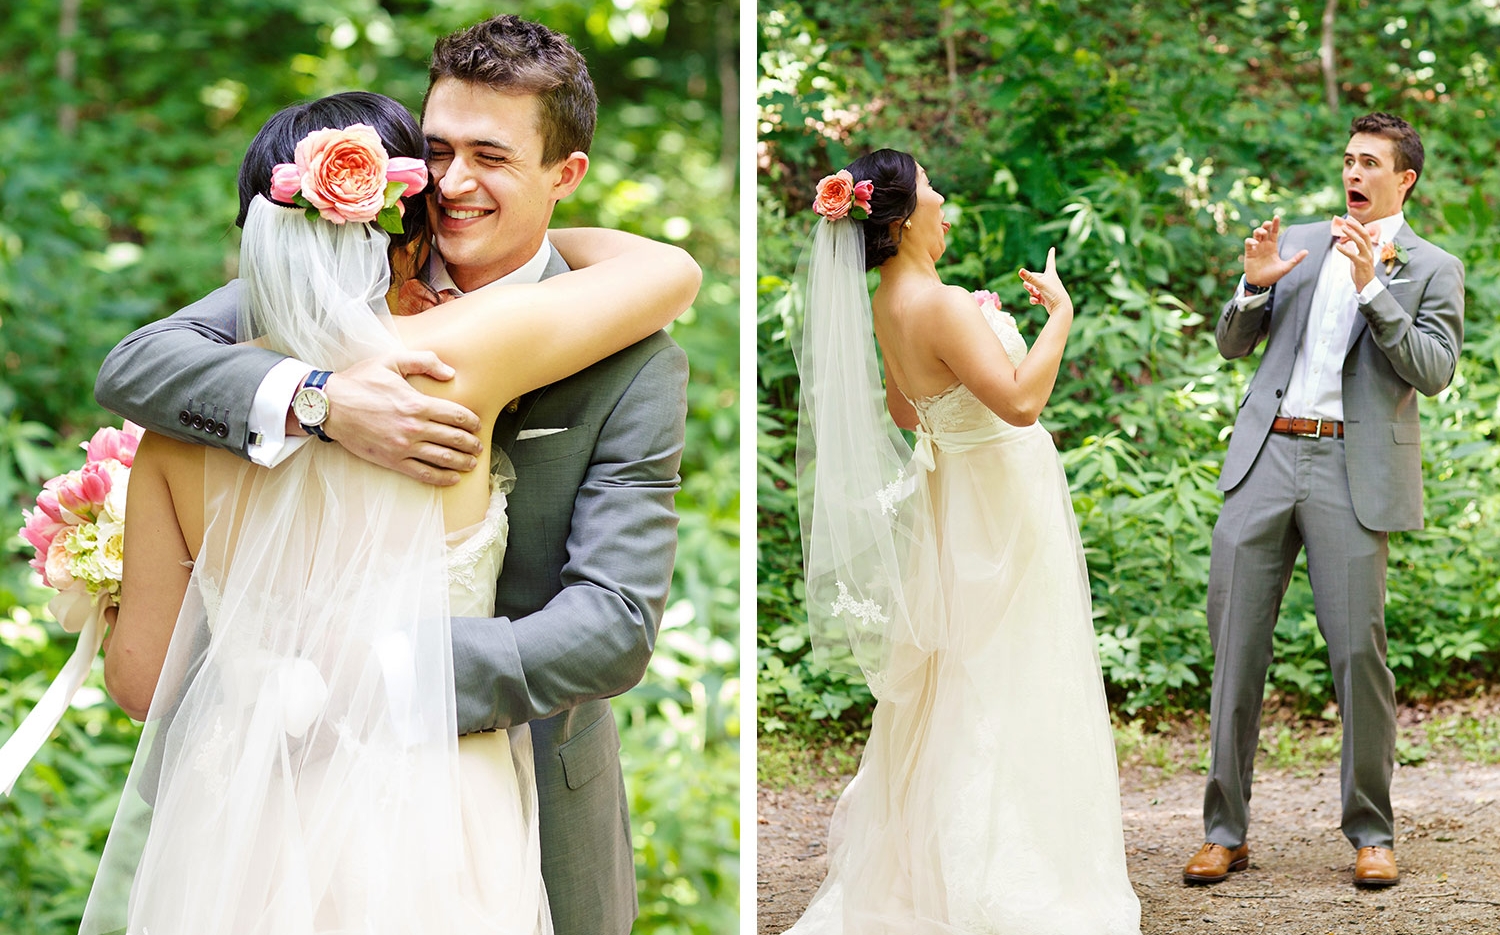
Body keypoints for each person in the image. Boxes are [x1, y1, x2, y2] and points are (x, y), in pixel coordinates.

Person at [94, 17, 688, 935]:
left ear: (564, 174)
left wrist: (372, 673)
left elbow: (613, 624)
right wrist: (320, 398)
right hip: (332, 806)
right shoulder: (330, 289)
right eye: (437, 150)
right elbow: (136, 362)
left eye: (491, 157)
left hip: (500, 776)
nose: (452, 183)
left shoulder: (635, 360)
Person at [784, 149, 1141, 933]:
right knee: (1015, 670)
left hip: (956, 501)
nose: (944, 198)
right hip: (1001, 503)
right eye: (931, 188)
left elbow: (905, 411)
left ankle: (932, 861)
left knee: (962, 674)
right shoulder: (941, 303)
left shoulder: (888, 301)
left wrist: (970, 343)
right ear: (903, 218)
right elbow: (1020, 403)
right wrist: (1058, 317)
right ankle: (1003, 872)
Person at [1185, 112, 1465, 890]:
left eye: (1370, 162)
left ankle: (1372, 833)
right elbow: (1232, 344)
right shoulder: (1302, 242)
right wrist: (1253, 285)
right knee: (1235, 647)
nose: (1353, 172)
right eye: (1348, 160)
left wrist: (1373, 286)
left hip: (1353, 469)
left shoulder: (1433, 267)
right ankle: (1224, 832)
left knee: (1357, 655)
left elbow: (1434, 370)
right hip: (1267, 455)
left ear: (1404, 178)